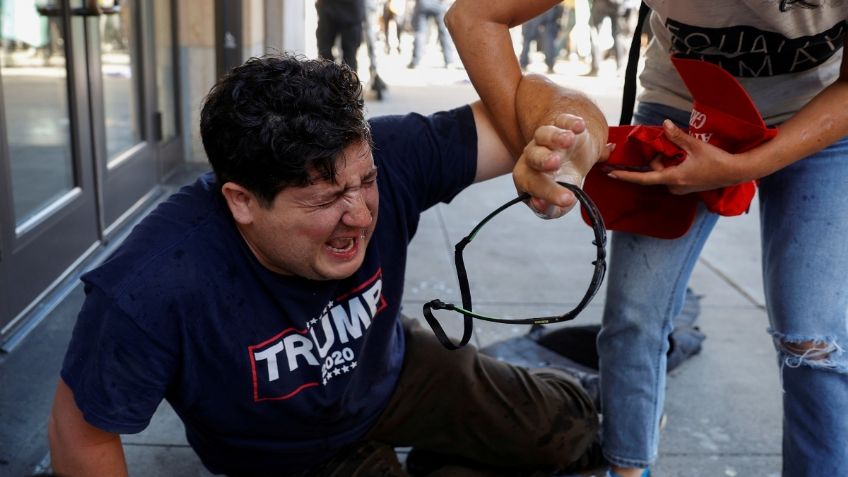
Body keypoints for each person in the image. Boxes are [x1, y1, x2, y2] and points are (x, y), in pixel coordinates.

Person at [46, 53, 611, 476]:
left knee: (569, 433)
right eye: (322, 201)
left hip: (392, 370)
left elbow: (534, 100)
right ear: (242, 200)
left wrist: (559, 147)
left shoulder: (391, 155)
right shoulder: (151, 282)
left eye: (365, 183)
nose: (359, 215)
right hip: (281, 452)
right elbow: (82, 435)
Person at [446, 1, 848, 476]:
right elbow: (473, 17)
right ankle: (629, 468)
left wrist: (744, 168)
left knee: (814, 342)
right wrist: (541, 164)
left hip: (816, 116)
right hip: (682, 113)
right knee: (634, 322)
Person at [315, 0, 366, 72]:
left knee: (350, 59)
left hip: (352, 10)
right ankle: (325, 80)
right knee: (324, 54)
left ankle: (349, 81)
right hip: (328, 8)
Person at [407, 0, 456, 69]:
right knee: (444, 33)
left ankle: (415, 61)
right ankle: (449, 61)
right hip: (438, 4)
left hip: (423, 3)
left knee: (420, 32)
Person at [519, 2, 564, 74]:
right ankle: (549, 64)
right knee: (547, 40)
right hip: (543, 12)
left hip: (534, 12)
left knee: (530, 40)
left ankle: (524, 63)